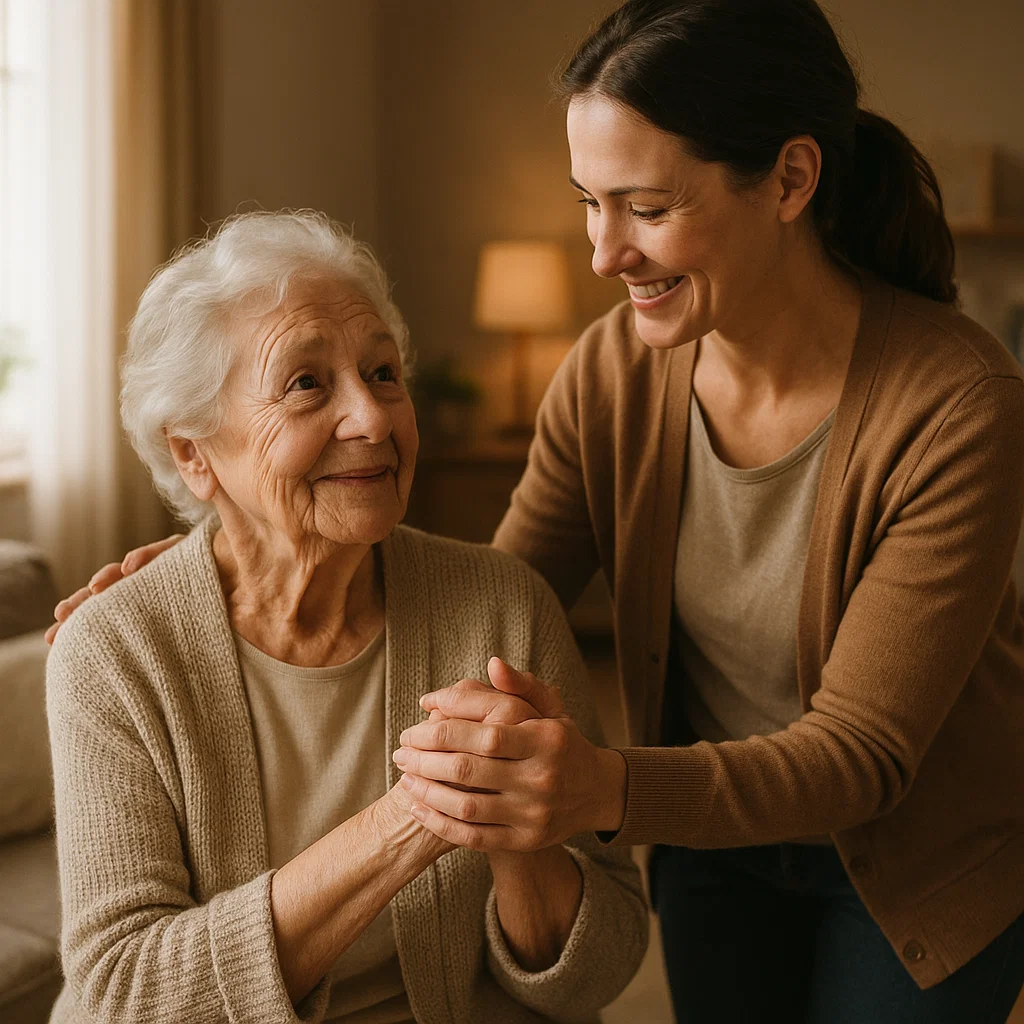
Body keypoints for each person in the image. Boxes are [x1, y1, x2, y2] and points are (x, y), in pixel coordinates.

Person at [51, 1, 1024, 1021]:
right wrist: (227, 556)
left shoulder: (957, 403)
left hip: (919, 858)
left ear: (789, 179)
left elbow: (859, 756)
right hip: (713, 843)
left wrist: (598, 788)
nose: (605, 253)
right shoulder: (613, 368)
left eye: (645, 207)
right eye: (589, 203)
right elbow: (477, 610)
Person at [43, 210, 648, 1024]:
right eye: (306, 383)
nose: (372, 419)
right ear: (194, 453)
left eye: (384, 373)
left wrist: (522, 837)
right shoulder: (113, 654)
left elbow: (601, 972)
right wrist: (415, 816)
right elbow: (125, 994)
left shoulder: (502, 605)